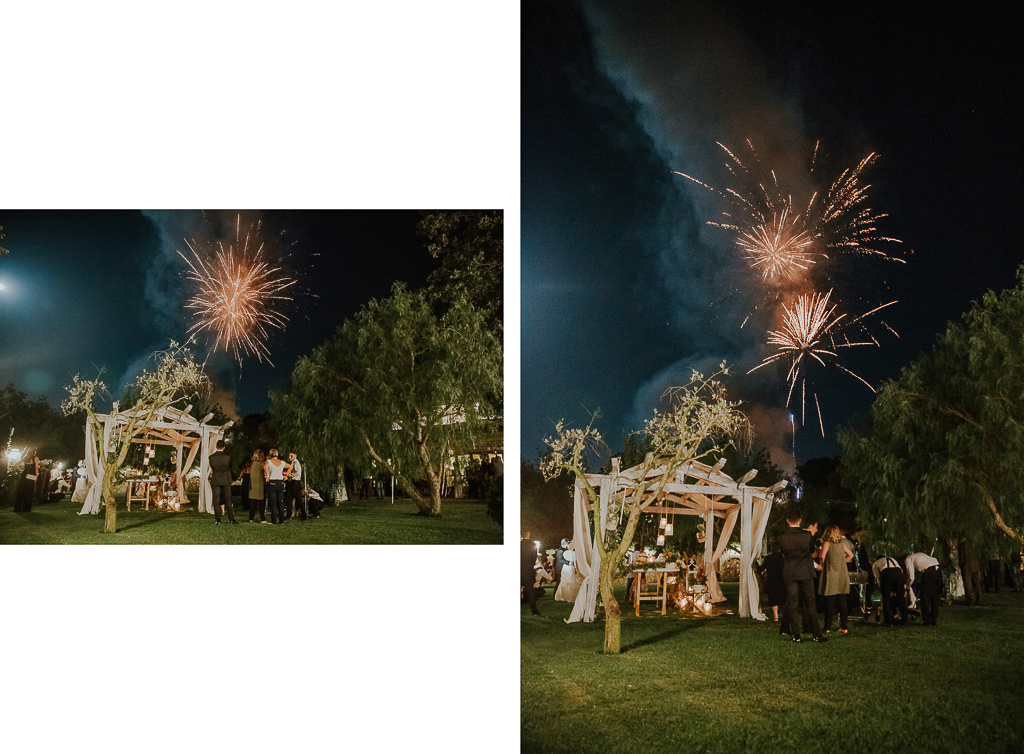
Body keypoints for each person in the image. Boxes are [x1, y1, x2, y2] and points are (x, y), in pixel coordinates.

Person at [777, 510, 826, 642]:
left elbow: (783, 553)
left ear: (787, 520)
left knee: (793, 603)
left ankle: (796, 635)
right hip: (805, 571)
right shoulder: (807, 536)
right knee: (810, 602)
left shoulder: (782, 537)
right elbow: (811, 551)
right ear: (800, 520)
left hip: (790, 572)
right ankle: (816, 634)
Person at [819, 525, 854, 634]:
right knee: (842, 602)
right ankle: (844, 627)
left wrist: (822, 563)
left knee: (830, 602)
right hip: (842, 575)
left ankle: (827, 627)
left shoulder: (827, 543)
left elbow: (823, 556)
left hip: (832, 575)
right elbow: (851, 555)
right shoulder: (842, 544)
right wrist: (842, 561)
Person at [905, 551, 942, 626]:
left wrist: (907, 587)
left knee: (925, 597)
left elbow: (911, 577)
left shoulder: (908, 559)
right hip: (938, 571)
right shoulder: (919, 555)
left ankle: (927, 620)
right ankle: (933, 619)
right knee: (935, 596)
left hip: (929, 572)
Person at [872, 554, 908, 626]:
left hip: (887, 573)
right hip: (898, 573)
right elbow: (900, 570)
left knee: (886, 599)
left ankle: (888, 621)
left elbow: (877, 577)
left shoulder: (876, 563)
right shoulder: (892, 559)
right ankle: (904, 619)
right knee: (901, 597)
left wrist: (882, 587)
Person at [755, 541, 787, 622]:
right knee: (783, 598)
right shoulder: (784, 558)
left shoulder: (768, 558)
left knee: (773, 598)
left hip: (771, 580)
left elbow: (762, 568)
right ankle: (784, 616)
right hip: (782, 580)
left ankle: (776, 616)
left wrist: (756, 568)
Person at [209, 439, 236, 524]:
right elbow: (231, 468)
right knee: (228, 499)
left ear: (216, 447)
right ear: (224, 447)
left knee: (216, 500)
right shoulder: (227, 457)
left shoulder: (211, 457)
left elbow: (213, 468)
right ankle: (231, 519)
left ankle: (218, 520)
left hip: (216, 479)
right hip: (225, 479)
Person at [264, 448, 290, 525]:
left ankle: (274, 520)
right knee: (280, 501)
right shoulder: (282, 462)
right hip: (280, 482)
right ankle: (281, 520)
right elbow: (290, 466)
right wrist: (286, 475)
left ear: (270, 454)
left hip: (272, 482)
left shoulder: (268, 462)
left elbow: (265, 467)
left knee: (273, 502)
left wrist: (267, 476)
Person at [521, 531, 541, 616]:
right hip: (528, 570)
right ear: (528, 534)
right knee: (530, 590)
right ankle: (534, 610)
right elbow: (534, 558)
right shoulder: (532, 545)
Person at [14, 448, 40, 512]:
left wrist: (21, 470)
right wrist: (36, 476)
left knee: (21, 491)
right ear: (34, 452)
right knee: (29, 491)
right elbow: (36, 468)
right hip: (31, 475)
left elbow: (16, 465)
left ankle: (17, 508)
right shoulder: (35, 458)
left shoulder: (25, 457)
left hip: (24, 475)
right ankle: (26, 508)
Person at [958, 539, 982, 606]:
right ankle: (978, 599)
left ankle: (969, 601)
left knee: (967, 584)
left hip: (967, 566)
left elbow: (961, 557)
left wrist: (961, 565)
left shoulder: (963, 544)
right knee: (976, 583)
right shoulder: (975, 543)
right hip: (975, 566)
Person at [248, 450, 267, 523]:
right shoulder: (261, 464)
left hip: (253, 485)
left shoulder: (253, 464)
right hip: (260, 485)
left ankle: (251, 518)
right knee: (261, 502)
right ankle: (262, 518)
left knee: (252, 502)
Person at [285, 452, 304, 519]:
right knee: (297, 498)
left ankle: (289, 515)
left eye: (291, 456)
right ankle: (304, 514)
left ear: (295, 456)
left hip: (295, 482)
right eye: (289, 456)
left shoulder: (296, 463)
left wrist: (288, 474)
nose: (289, 457)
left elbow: (296, 472)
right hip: (296, 482)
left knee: (290, 498)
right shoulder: (293, 463)